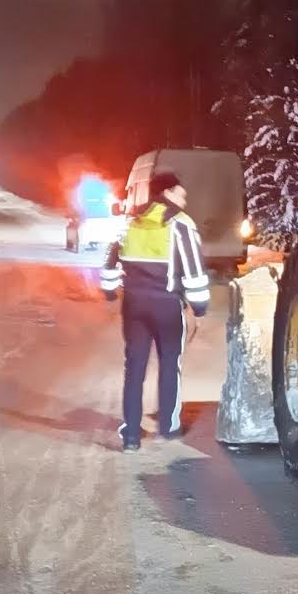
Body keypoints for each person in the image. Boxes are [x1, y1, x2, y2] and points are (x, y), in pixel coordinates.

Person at [99, 171, 211, 450]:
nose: (184, 200)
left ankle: (132, 436)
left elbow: (110, 263)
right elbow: (194, 271)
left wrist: (111, 291)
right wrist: (199, 307)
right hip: (167, 306)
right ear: (168, 192)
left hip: (134, 306)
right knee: (169, 365)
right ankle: (168, 428)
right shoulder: (181, 224)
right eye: (181, 194)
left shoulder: (130, 223)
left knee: (134, 369)